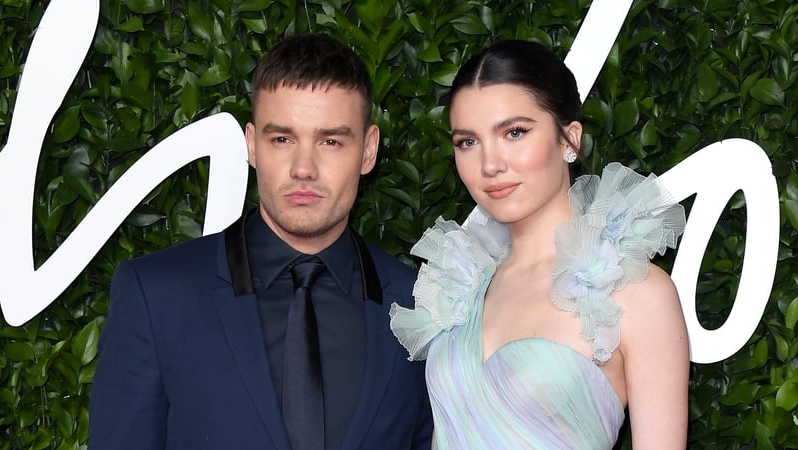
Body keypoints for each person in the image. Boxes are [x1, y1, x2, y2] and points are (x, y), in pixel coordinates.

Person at [90, 33, 433, 450]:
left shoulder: (420, 305)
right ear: (252, 145)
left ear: (368, 150)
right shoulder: (156, 295)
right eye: (282, 139)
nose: (303, 168)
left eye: (330, 141)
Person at [390, 40, 689, 449]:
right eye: (467, 142)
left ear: (569, 140)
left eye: (514, 132)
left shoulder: (639, 295)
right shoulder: (458, 291)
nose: (490, 164)